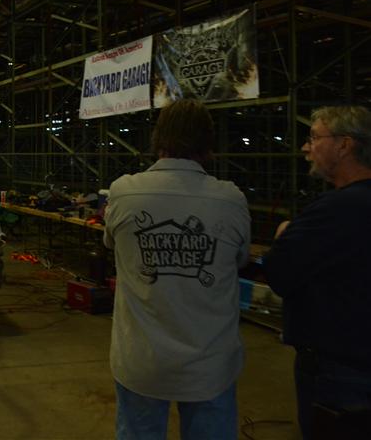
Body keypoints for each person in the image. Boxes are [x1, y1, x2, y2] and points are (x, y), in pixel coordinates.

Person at [103, 99, 250, 440]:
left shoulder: (123, 192)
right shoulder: (231, 199)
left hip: (141, 360)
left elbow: (111, 244)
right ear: (208, 142)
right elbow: (239, 260)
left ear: (159, 138)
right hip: (209, 364)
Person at [263, 106, 371, 439]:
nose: (306, 147)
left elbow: (279, 272)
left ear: (344, 145)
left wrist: (283, 234)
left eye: (314, 137)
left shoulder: (336, 209)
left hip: (341, 371)